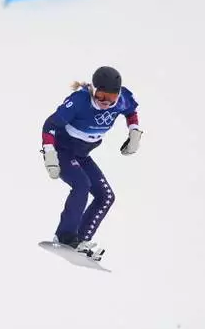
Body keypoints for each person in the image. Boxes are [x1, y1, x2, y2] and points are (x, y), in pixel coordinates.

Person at [40, 65, 142, 259]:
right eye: (101, 95)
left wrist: (134, 131)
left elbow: (131, 111)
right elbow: (50, 124)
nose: (105, 102)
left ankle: (81, 239)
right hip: (63, 151)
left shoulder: (122, 99)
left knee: (106, 196)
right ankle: (64, 237)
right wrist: (50, 153)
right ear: (93, 90)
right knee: (82, 186)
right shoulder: (79, 101)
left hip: (81, 155)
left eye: (111, 98)